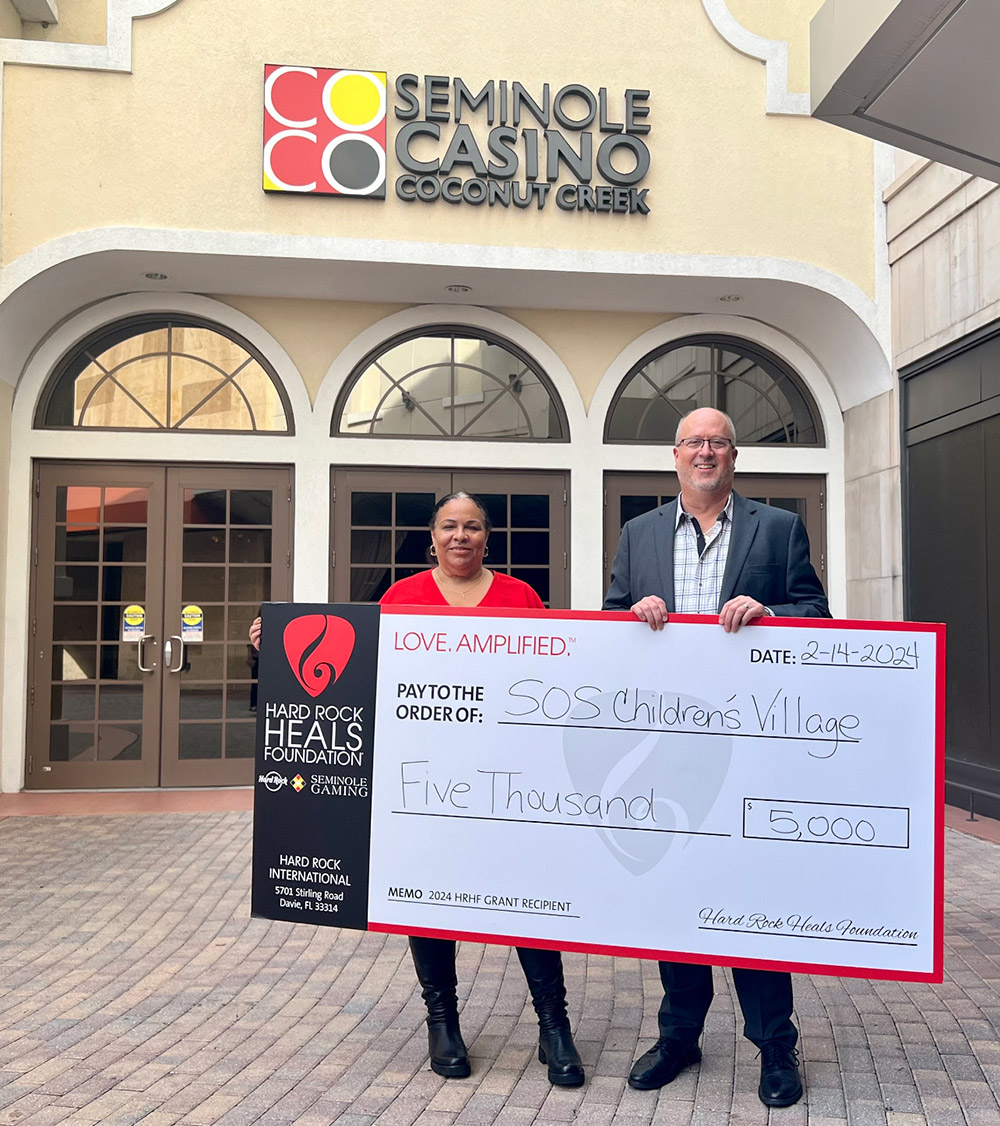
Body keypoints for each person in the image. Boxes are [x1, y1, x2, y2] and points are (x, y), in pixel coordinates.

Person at [249, 492, 584, 1087]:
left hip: (508, 778)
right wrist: (273, 646)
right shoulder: (401, 597)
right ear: (432, 537)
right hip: (424, 779)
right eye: (450, 526)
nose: (461, 536)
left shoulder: (521, 597)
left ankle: (553, 1026)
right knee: (428, 896)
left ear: (487, 538)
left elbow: (555, 675)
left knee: (525, 894)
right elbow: (358, 675)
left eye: (472, 527)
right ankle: (442, 1022)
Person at [603, 407, 830, 1108]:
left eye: (718, 443)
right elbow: (607, 625)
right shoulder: (638, 533)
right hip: (668, 746)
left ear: (734, 456)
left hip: (750, 746)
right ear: (675, 455)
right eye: (694, 442)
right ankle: (680, 1036)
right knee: (674, 894)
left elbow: (818, 617)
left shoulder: (779, 528)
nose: (705, 452)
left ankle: (775, 1045)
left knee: (750, 896)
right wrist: (630, 616)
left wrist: (771, 614)